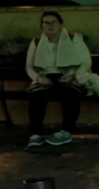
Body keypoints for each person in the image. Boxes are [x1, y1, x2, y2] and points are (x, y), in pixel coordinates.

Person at [24, 11, 91, 147]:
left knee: (71, 93)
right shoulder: (37, 41)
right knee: (36, 95)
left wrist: (75, 75)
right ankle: (35, 135)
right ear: (42, 25)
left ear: (61, 24)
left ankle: (65, 133)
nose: (50, 25)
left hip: (68, 75)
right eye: (46, 22)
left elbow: (86, 62)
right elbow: (29, 66)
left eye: (54, 22)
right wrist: (37, 78)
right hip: (45, 77)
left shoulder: (74, 38)